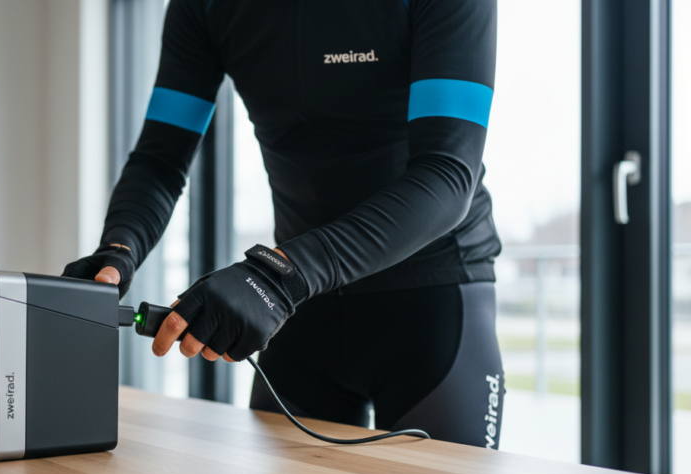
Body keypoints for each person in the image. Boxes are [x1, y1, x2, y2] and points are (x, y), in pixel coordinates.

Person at [64, 0, 506, 449]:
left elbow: (447, 175)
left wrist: (275, 276)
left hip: (431, 302)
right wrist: (119, 249)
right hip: (300, 304)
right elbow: (161, 159)